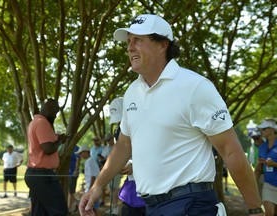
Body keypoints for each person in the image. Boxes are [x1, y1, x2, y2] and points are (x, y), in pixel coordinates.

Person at [79, 14, 264, 216]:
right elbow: (124, 145)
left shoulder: (195, 87)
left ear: (162, 45)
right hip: (150, 207)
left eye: (138, 40)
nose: (130, 47)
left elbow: (231, 150)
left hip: (192, 205)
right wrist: (97, 186)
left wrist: (255, 209)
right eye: (129, 41)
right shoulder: (132, 92)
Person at [24, 98, 68, 216]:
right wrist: (60, 140)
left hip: (35, 174)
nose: (56, 115)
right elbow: (48, 149)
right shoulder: (42, 123)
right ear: (49, 108)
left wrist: (55, 138)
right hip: (43, 176)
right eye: (55, 112)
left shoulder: (34, 122)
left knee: (40, 213)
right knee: (60, 211)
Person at [109, 97, 146, 216]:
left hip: (149, 187)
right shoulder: (118, 131)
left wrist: (137, 165)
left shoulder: (144, 127)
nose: (121, 124)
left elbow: (156, 153)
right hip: (131, 188)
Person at [255, 119, 277, 216]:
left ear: (272, 129)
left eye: (264, 129)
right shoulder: (262, 147)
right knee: (269, 213)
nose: (261, 131)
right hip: (268, 184)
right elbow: (259, 168)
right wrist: (252, 184)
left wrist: (274, 164)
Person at [75, 145, 101, 216]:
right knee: (93, 208)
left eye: (81, 153)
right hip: (93, 188)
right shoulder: (90, 161)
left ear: (86, 152)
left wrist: (90, 190)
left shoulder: (89, 162)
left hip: (92, 189)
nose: (80, 155)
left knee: (93, 209)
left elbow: (93, 177)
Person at [102, 133, 121, 215]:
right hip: (107, 171)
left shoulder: (117, 147)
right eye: (106, 140)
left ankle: (116, 207)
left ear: (112, 138)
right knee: (110, 189)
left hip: (116, 170)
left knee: (115, 188)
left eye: (109, 139)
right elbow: (103, 158)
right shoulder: (105, 149)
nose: (108, 141)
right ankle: (112, 207)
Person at [68, 145, 81, 213]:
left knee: (71, 191)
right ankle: (77, 202)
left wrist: (76, 170)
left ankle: (69, 209)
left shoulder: (76, 148)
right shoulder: (66, 146)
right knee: (68, 191)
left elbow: (78, 159)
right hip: (66, 173)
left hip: (73, 173)